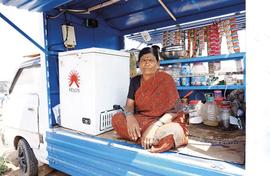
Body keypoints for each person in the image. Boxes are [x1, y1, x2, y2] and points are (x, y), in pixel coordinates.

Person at [112, 46, 188, 153]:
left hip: (165, 120)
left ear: (158, 64)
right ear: (139, 64)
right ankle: (147, 138)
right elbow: (129, 105)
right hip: (143, 119)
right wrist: (130, 118)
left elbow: (177, 109)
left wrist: (155, 126)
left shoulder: (166, 79)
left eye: (151, 60)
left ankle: (143, 136)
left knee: (172, 133)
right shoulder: (135, 81)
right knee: (117, 118)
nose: (146, 63)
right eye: (143, 60)